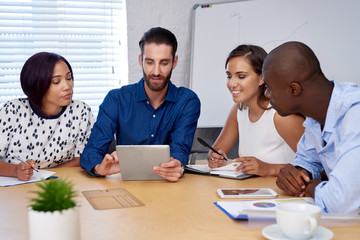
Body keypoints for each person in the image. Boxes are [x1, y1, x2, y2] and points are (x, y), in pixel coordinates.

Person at [80, 27, 201, 182]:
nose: (156, 71)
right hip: (126, 187)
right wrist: (99, 167)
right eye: (150, 62)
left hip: (170, 188)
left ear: (174, 62)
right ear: (140, 60)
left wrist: (177, 165)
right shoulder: (116, 99)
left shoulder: (187, 102)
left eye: (164, 63)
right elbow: (92, 150)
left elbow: (180, 150)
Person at [263, 41, 360, 213]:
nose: (267, 95)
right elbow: (306, 161)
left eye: (269, 88)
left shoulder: (354, 115)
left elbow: (341, 203)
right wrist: (296, 175)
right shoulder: (315, 118)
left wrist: (315, 188)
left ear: (294, 89)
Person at [207, 45, 304, 176]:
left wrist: (269, 169)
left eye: (241, 77)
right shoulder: (239, 110)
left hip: (283, 194)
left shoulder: (281, 116)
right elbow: (215, 152)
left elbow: (319, 167)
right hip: (251, 192)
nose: (232, 83)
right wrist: (214, 159)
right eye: (229, 76)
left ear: (261, 78)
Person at [0, 52, 94, 181]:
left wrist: (42, 175)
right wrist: (16, 171)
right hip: (16, 186)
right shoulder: (13, 110)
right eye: (56, 82)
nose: (67, 87)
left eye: (69, 78)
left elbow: (81, 160)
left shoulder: (81, 110)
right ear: (37, 85)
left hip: (61, 183)